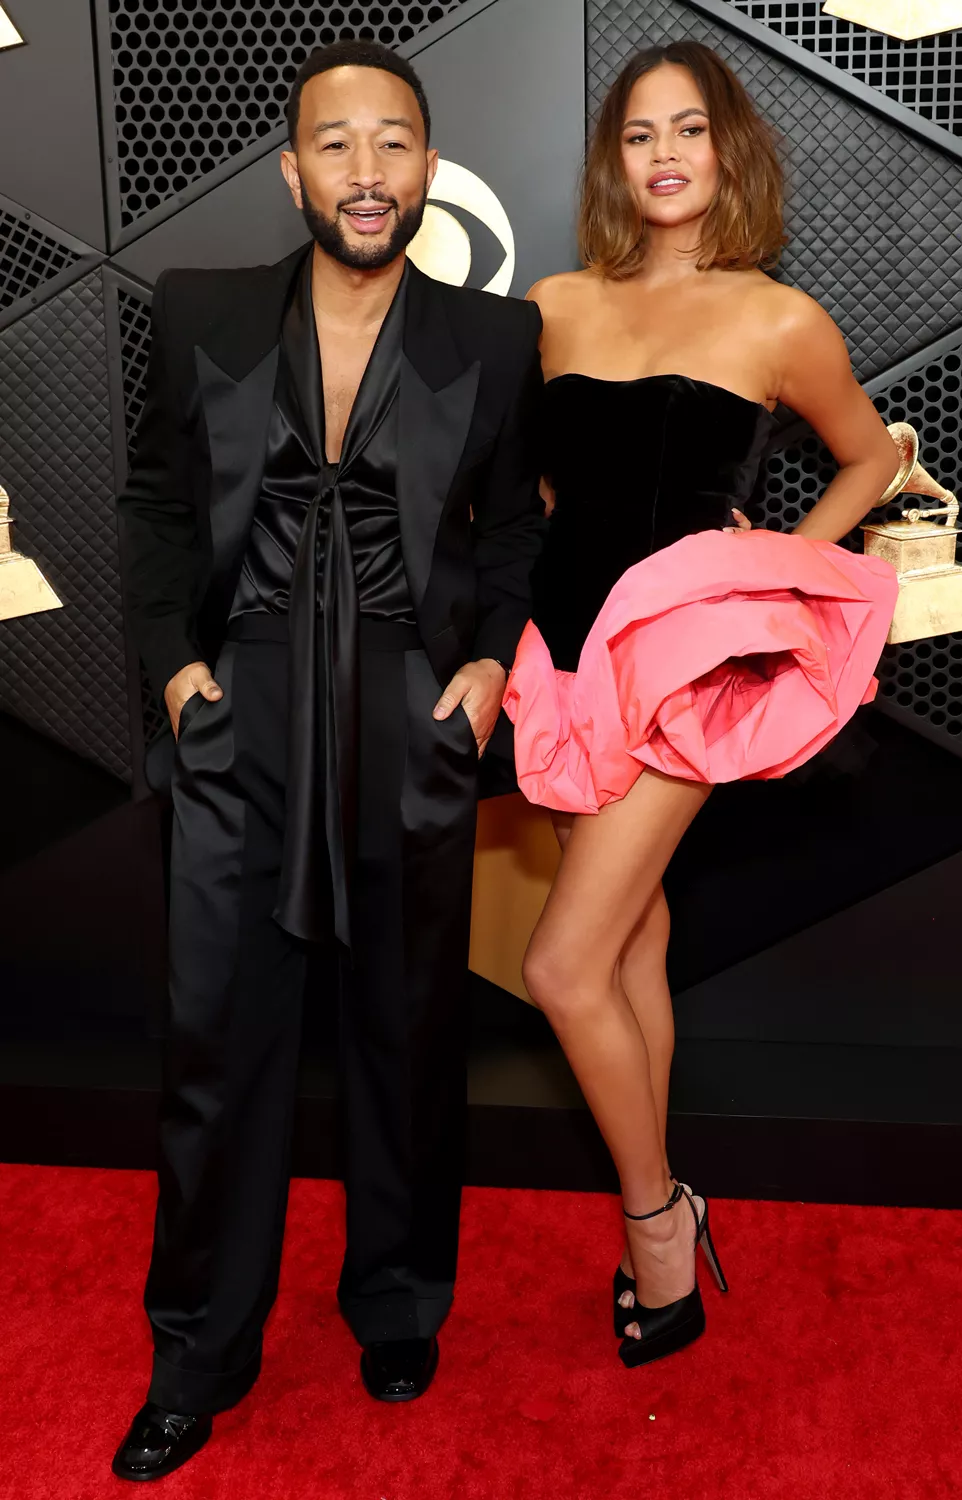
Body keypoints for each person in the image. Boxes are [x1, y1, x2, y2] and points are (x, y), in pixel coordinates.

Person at [112, 39, 544, 1480]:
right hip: (242, 706)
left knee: (409, 1028)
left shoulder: (491, 340)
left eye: (396, 143)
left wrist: (483, 667)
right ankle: (196, 1354)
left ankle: (399, 1299)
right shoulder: (196, 311)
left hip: (409, 712)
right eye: (339, 146)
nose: (369, 172)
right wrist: (178, 674)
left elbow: (514, 530)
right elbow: (159, 504)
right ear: (294, 171)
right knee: (217, 1049)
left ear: (431, 167)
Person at [503, 41, 899, 1370]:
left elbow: (867, 456)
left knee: (559, 967)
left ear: (728, 149)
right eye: (637, 134)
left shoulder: (778, 319)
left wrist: (771, 555)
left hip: (681, 663)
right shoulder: (552, 302)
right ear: (614, 162)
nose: (664, 153)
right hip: (560, 649)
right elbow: (541, 489)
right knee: (625, 949)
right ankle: (656, 1204)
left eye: (689, 128)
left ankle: (657, 1218)